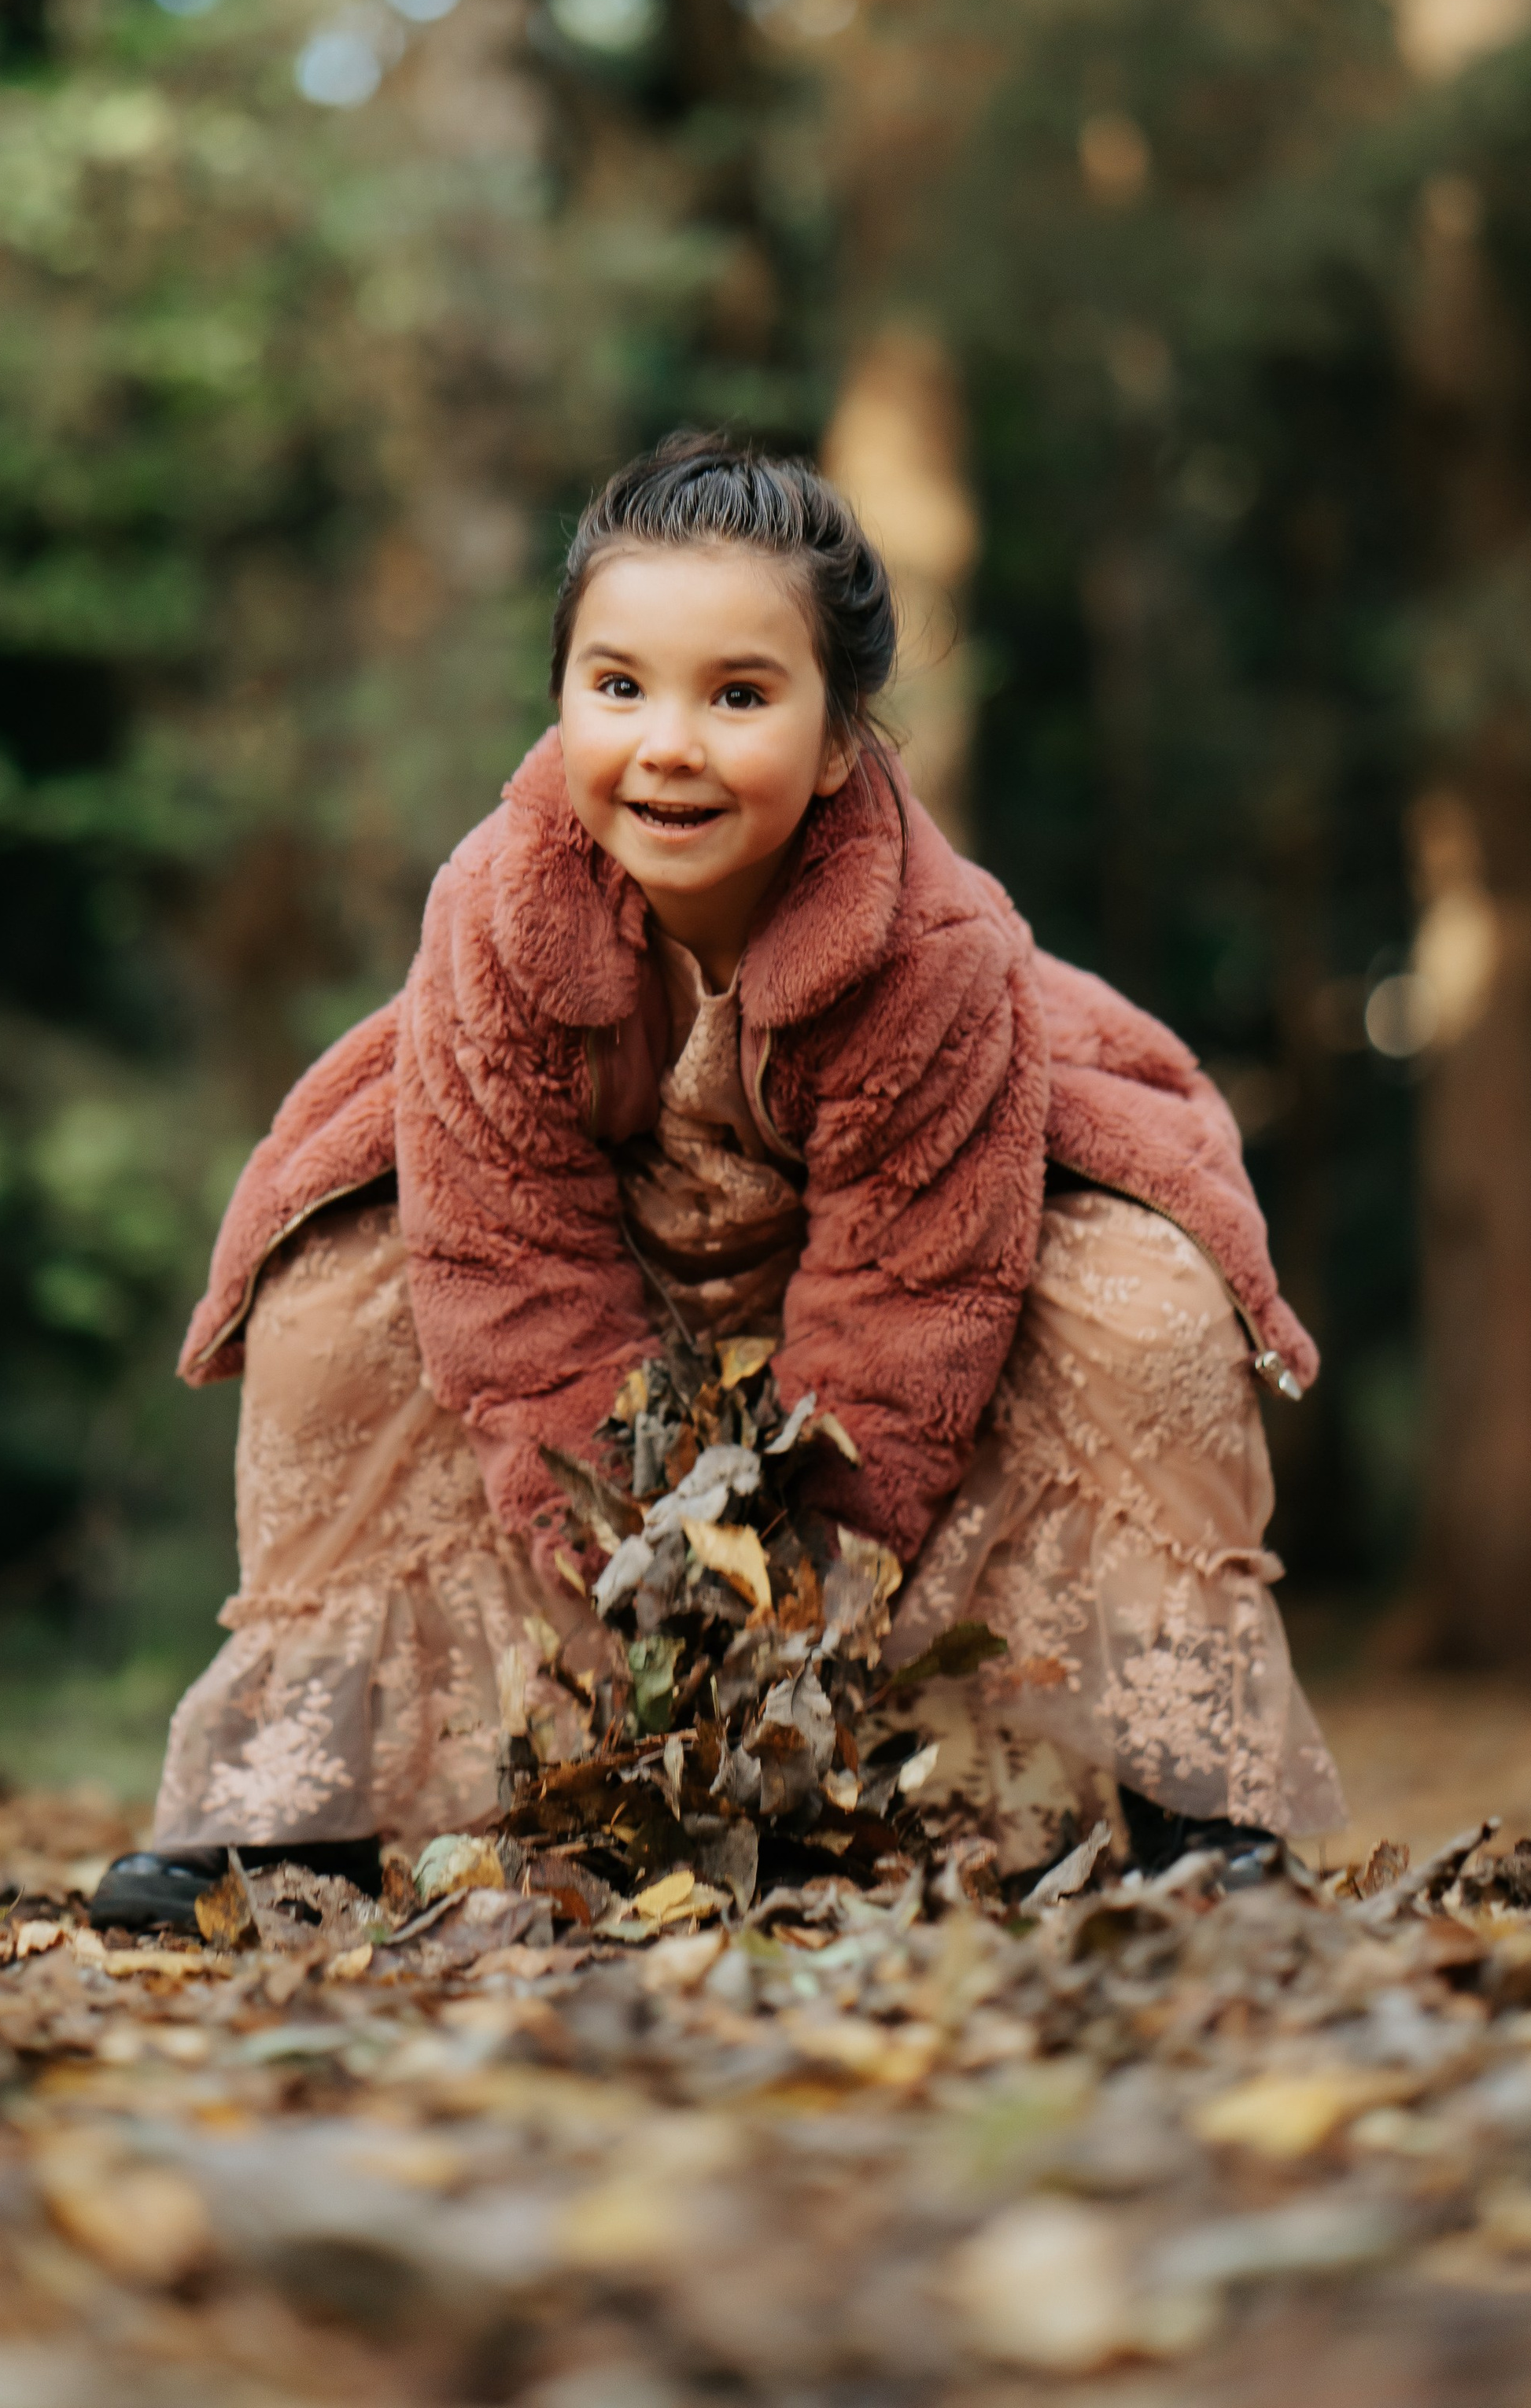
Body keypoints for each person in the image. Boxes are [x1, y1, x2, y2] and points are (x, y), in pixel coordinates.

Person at [92, 434, 1344, 1929]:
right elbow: (507, 1271)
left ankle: (1182, 1799)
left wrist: (794, 1616)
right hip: (601, 1278)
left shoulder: (931, 951)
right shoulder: (494, 913)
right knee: (331, 1312)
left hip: (909, 1272)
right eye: (618, 688)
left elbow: (912, 1301)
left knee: (1142, 1307)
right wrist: (631, 1576)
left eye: (737, 696)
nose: (668, 744)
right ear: (560, 705)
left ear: (836, 745)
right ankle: (299, 1812)